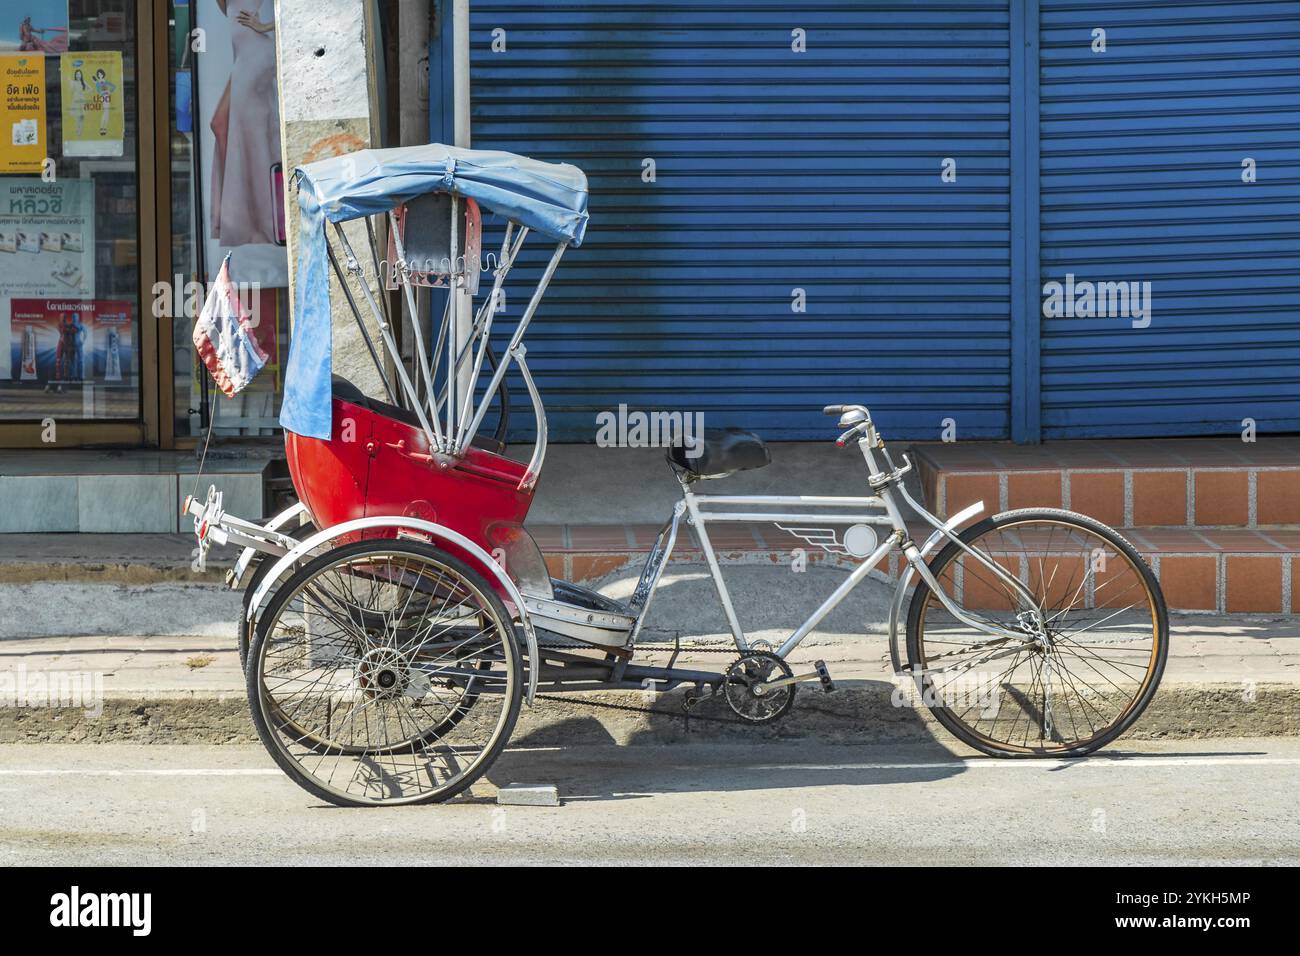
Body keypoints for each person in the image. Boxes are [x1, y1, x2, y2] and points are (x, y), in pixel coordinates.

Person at [209, 0, 281, 247]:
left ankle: (265, 224)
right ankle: (237, 220)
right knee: (219, 122)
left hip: (259, 57)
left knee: (254, 136)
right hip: (245, 57)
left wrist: (267, 25)